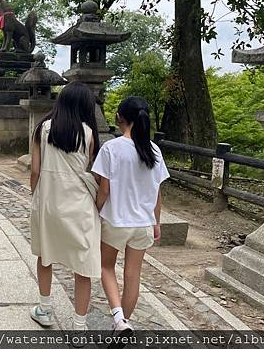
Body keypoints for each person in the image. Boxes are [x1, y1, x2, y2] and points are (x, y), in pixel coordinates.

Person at [91, 96, 169, 336]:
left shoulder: (111, 148)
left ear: (120, 118)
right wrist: (156, 223)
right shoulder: (154, 149)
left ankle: (118, 318)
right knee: (133, 275)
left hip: (116, 220)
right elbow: (157, 192)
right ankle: (122, 324)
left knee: (106, 267)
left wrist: (95, 210)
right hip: (143, 223)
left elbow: (104, 188)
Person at [29, 81, 101, 333]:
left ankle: (45, 309)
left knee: (45, 255)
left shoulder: (42, 129)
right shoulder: (89, 134)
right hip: (79, 207)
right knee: (83, 266)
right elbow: (90, 170)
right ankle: (79, 326)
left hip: (49, 202)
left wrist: (34, 197)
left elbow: (35, 170)